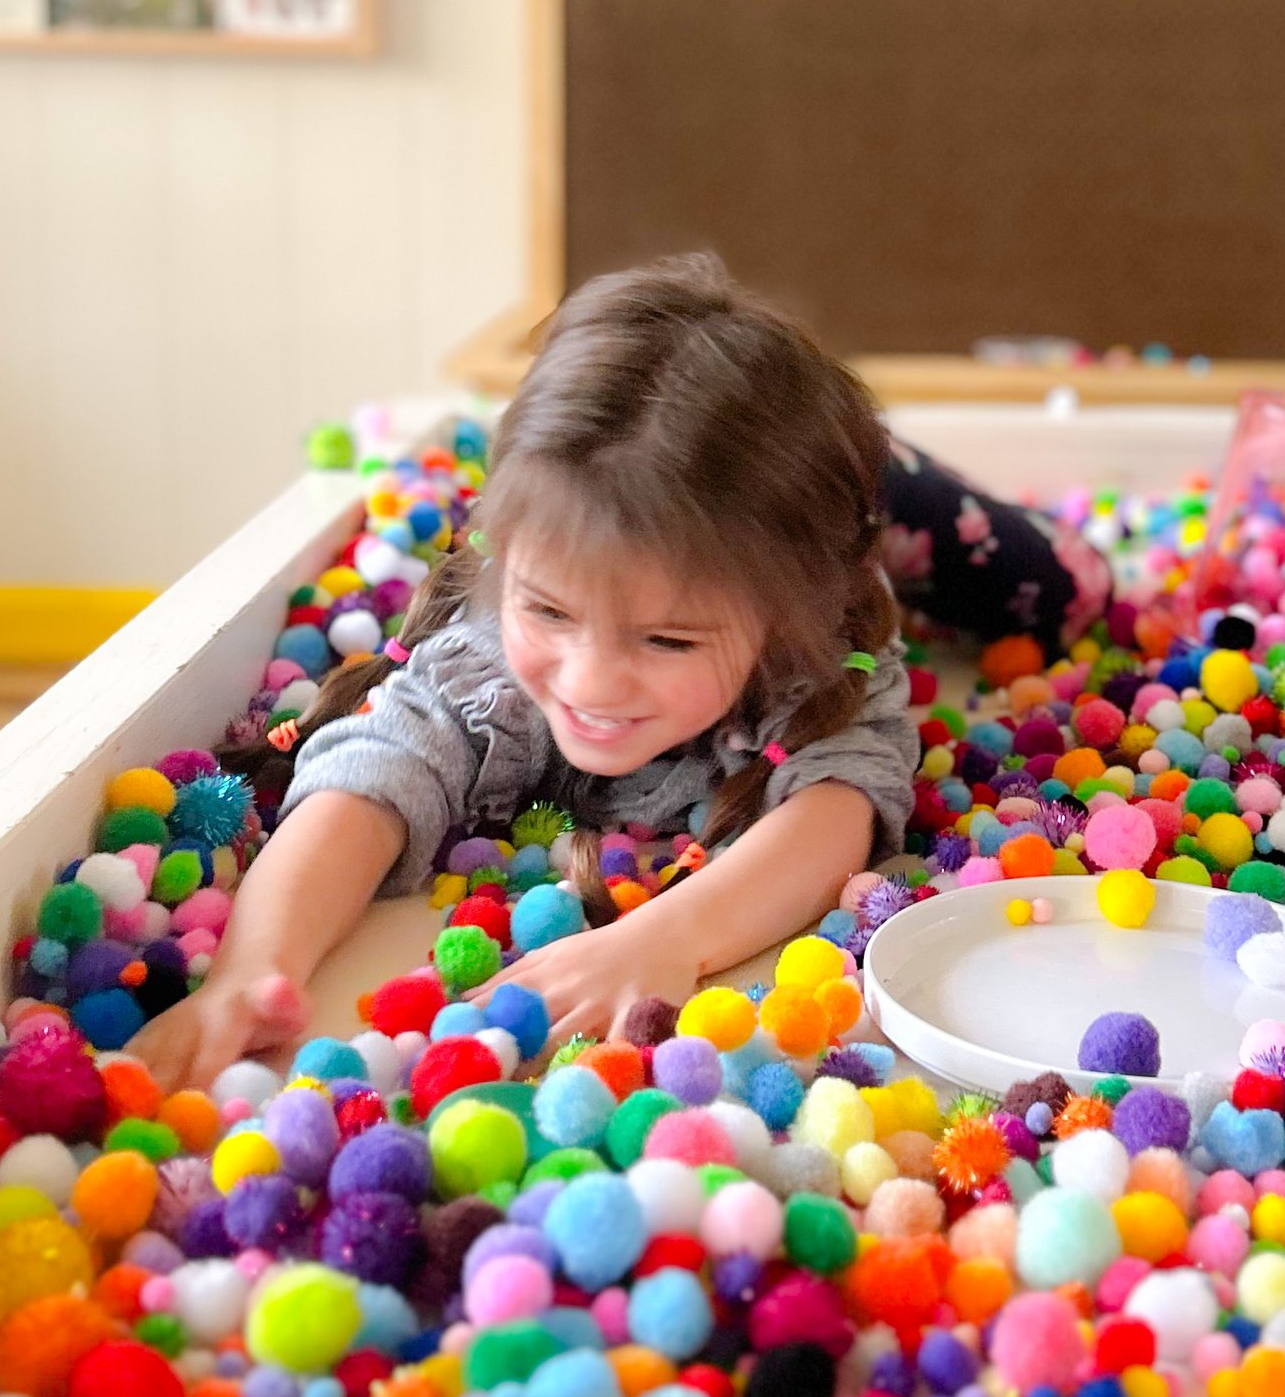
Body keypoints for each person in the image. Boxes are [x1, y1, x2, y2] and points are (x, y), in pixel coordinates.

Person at [130, 256, 926, 1090]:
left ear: (778, 625)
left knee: (961, 538)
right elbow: (373, 774)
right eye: (547, 610)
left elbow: (836, 807)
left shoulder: (813, 652)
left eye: (666, 640)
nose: (591, 682)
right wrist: (251, 970)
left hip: (865, 520)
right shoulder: (488, 660)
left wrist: (666, 937)